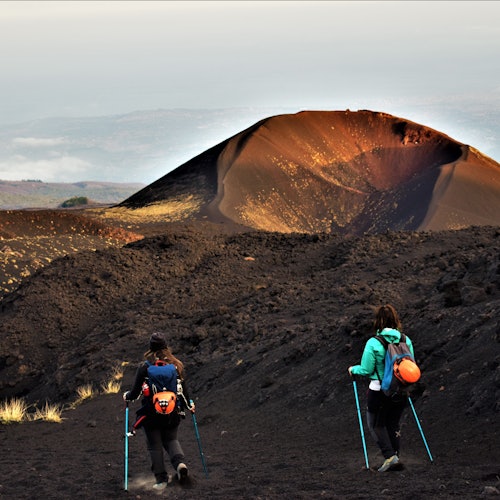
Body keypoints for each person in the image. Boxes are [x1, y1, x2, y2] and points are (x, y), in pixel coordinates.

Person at [123, 332, 195, 490]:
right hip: (172, 412)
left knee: (154, 445)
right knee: (171, 440)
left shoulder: (145, 367)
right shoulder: (176, 365)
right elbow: (184, 390)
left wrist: (126, 396)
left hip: (151, 414)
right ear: (166, 346)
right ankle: (180, 464)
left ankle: (161, 480)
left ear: (150, 347)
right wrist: (189, 404)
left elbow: (134, 393)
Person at [348, 304, 414, 472]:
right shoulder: (406, 340)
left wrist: (352, 369)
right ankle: (395, 456)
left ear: (377, 321)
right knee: (393, 423)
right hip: (400, 390)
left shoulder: (373, 343)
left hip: (379, 390)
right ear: (396, 320)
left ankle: (390, 457)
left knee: (375, 425)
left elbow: (367, 369)